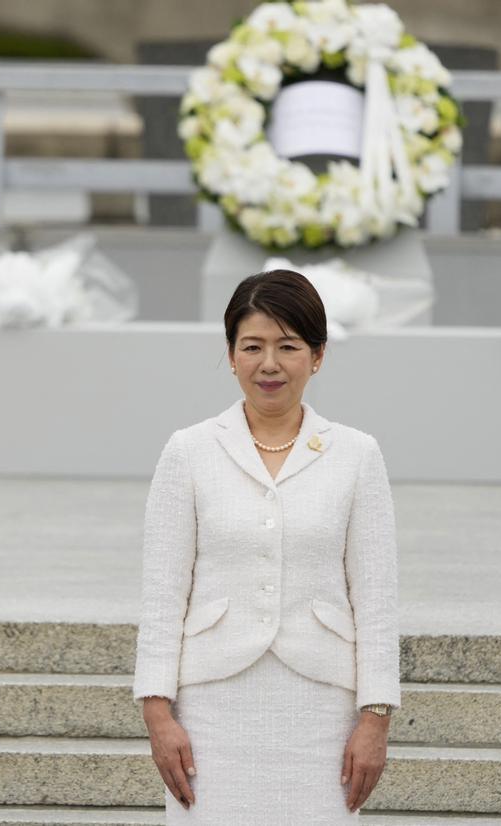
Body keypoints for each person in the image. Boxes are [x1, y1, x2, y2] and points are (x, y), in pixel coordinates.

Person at [133, 269, 400, 824]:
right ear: (230, 355)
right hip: (210, 706)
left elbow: (376, 598)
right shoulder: (189, 451)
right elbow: (162, 594)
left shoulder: (357, 454)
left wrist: (375, 718)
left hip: (323, 706)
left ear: (318, 356)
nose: (269, 364)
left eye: (289, 346)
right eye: (252, 346)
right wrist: (158, 715)